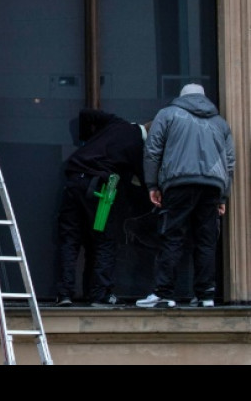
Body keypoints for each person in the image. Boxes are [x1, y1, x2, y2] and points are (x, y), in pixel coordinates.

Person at [136, 83, 235, 309]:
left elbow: (152, 150)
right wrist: (223, 196)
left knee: (171, 236)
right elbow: (229, 162)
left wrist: (152, 184)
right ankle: (205, 295)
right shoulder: (220, 123)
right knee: (206, 241)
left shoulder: (168, 114)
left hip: (178, 183)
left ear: (181, 97)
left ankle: (164, 293)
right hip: (212, 187)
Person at [54, 108, 150, 307]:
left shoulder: (116, 122)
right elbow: (144, 180)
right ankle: (100, 294)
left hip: (73, 180)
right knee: (103, 240)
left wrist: (85, 140)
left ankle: (64, 293)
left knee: (70, 240)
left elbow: (85, 113)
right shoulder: (138, 147)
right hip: (101, 190)